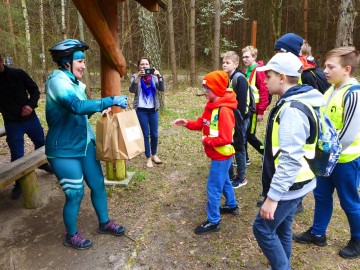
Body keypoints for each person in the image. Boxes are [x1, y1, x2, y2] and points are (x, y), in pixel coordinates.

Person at [46, 39, 128, 250]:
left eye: (83, 61)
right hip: (63, 149)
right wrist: (110, 100)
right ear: (66, 62)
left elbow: (82, 110)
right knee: (75, 193)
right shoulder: (57, 81)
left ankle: (104, 223)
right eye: (79, 61)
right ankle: (71, 235)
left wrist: (98, 110)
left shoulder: (74, 83)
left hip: (84, 144)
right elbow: (75, 106)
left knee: (98, 185)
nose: (83, 65)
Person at [252, 52, 324, 270]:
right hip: (300, 181)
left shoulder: (292, 109)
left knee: (262, 229)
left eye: (269, 76)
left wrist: (273, 197)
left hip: (291, 185)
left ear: (282, 78)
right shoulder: (296, 100)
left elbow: (290, 159)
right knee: (283, 227)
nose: (264, 81)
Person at [293, 47, 360, 259]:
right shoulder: (331, 90)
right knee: (321, 195)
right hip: (326, 158)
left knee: (349, 200)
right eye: (325, 66)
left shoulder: (353, 94)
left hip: (345, 161)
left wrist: (326, 155)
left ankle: (358, 238)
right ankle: (318, 233)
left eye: (331, 67)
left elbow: (348, 135)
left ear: (347, 69)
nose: (325, 71)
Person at [173, 70, 239, 234]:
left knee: (213, 188)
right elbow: (202, 123)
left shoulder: (224, 111)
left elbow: (225, 138)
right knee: (223, 182)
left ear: (216, 89)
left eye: (207, 88)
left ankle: (213, 221)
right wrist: (186, 122)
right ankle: (232, 205)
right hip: (219, 155)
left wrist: (206, 141)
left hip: (222, 155)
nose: (204, 91)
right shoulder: (211, 106)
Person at [0, 53, 53, 200]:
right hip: (11, 123)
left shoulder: (18, 74)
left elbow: (34, 90)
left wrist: (31, 105)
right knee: (17, 154)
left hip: (30, 119)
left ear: (1, 61)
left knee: (41, 144)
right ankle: (19, 183)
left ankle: (42, 164)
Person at [129, 58, 165, 168]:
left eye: (146, 64)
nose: (144, 66)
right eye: (142, 64)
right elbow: (132, 90)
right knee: (145, 135)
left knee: (154, 134)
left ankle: (154, 154)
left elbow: (162, 88)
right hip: (141, 110)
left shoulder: (154, 76)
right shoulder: (135, 76)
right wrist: (139, 77)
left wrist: (159, 76)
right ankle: (148, 158)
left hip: (153, 109)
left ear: (149, 65)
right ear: (139, 66)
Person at [221, 51, 249, 188]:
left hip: (239, 119)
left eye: (228, 62)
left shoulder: (240, 79)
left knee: (239, 147)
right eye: (223, 62)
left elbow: (242, 104)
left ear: (236, 64)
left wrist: (238, 122)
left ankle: (242, 177)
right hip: (231, 118)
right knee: (230, 145)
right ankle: (231, 174)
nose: (224, 65)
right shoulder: (228, 78)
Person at [241, 45, 269, 165]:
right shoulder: (245, 71)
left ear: (254, 57)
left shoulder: (259, 71)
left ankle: (267, 154)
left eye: (247, 57)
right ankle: (245, 158)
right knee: (243, 135)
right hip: (245, 109)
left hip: (254, 110)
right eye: (243, 57)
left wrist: (261, 111)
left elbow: (264, 92)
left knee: (250, 136)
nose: (244, 59)